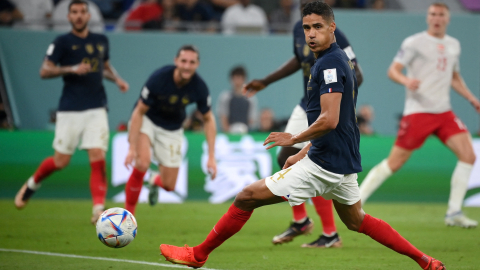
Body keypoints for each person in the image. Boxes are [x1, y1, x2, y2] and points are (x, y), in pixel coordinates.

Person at [159, 3, 445, 269]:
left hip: (324, 166)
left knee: (246, 197)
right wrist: (303, 150)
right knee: (357, 220)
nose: (311, 33)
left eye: (318, 27)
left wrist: (293, 138)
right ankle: (425, 261)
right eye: (307, 27)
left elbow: (330, 120)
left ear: (333, 28)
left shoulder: (329, 65)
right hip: (343, 163)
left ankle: (198, 255)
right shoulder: (330, 60)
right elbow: (340, 121)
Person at [243, 0, 363, 248]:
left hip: (327, 107)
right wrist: (266, 81)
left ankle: (329, 233)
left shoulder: (333, 34)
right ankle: (304, 223)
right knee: (283, 157)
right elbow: (299, 60)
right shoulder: (301, 28)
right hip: (306, 104)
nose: (311, 31)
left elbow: (357, 73)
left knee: (308, 160)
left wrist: (340, 105)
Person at [359, 2, 479, 229]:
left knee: (468, 155)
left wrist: (471, 98)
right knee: (394, 162)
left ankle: (454, 212)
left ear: (448, 19)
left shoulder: (454, 45)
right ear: (427, 17)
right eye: (432, 14)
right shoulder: (414, 42)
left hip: (443, 112)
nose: (436, 18)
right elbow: (393, 70)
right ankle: (356, 201)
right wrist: (406, 80)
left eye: (441, 14)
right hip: (418, 112)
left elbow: (454, 77)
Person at [14, 0, 129, 224]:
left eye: (82, 12)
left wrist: (117, 79)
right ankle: (31, 184)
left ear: (88, 16)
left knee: (97, 157)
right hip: (70, 108)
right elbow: (44, 71)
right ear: (68, 17)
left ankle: (98, 209)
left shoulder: (101, 40)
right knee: (61, 161)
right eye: (74, 12)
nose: (78, 16)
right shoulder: (62, 42)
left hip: (97, 107)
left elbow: (103, 66)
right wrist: (71, 68)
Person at [123, 45, 217, 214]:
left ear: (197, 64)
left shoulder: (199, 87)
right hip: (148, 120)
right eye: (183, 61)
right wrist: (131, 147)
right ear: (176, 61)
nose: (187, 66)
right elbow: (138, 111)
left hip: (172, 128)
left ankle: (154, 180)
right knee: (142, 162)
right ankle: (128, 216)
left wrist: (211, 156)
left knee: (169, 185)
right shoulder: (159, 78)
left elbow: (209, 119)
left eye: (191, 62)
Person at [217, 66, 258, 134]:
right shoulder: (225, 97)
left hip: (246, 134)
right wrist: (229, 132)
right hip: (228, 134)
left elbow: (252, 120)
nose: (238, 82)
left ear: (244, 80)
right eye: (235, 78)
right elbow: (223, 117)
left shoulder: (251, 99)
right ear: (231, 80)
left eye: (240, 78)